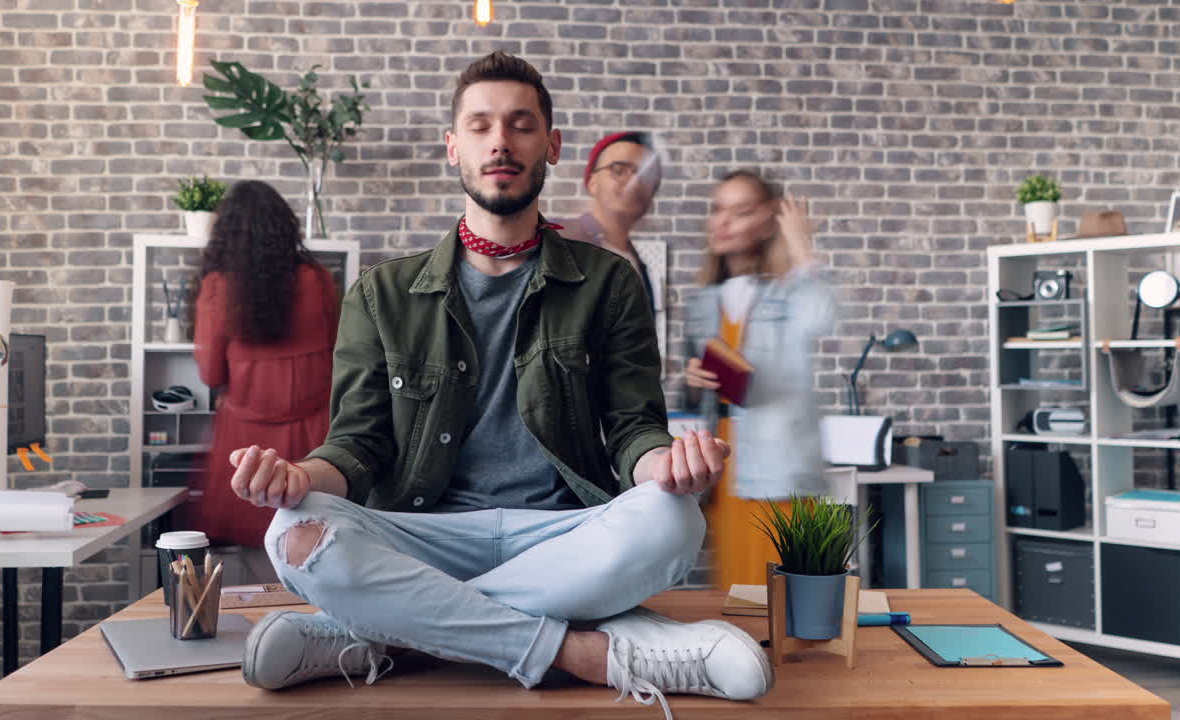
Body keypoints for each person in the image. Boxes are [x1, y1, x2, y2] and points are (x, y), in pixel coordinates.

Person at [224, 51, 772, 717]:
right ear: (454, 147)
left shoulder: (607, 282)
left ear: (552, 144)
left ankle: (389, 637)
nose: (500, 142)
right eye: (480, 125)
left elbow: (632, 430)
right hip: (425, 534)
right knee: (293, 530)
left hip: (563, 534)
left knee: (672, 518)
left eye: (520, 124)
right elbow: (358, 446)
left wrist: (668, 464)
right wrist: (299, 477)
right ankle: (585, 652)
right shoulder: (382, 292)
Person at [683, 170, 836, 589]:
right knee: (737, 598)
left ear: (770, 222)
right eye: (718, 210)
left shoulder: (790, 292)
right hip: (727, 467)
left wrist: (801, 245)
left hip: (780, 468)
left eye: (742, 211)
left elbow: (822, 317)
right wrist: (694, 380)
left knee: (788, 601)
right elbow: (695, 394)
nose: (724, 221)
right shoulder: (702, 303)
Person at [187, 180, 341, 579]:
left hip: (246, 441)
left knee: (253, 560)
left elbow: (210, 373)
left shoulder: (219, 287)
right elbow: (341, 354)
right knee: (315, 548)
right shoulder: (318, 279)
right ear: (282, 226)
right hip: (315, 433)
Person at [561, 131, 663, 314]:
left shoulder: (639, 264)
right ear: (592, 182)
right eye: (619, 170)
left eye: (646, 175)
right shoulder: (560, 241)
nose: (635, 181)